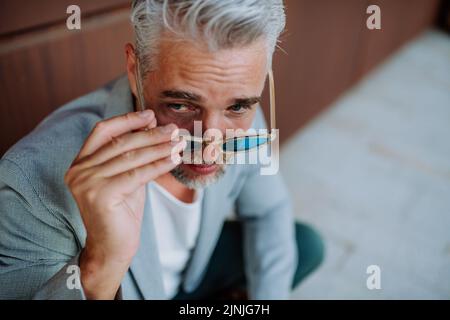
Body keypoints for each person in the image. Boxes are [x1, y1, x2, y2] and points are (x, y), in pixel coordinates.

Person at [0, 0, 323, 300]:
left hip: (192, 279)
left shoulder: (243, 112)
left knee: (305, 245)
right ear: (134, 70)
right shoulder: (29, 182)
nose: (211, 143)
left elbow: (268, 210)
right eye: (181, 105)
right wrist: (99, 267)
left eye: (237, 106)